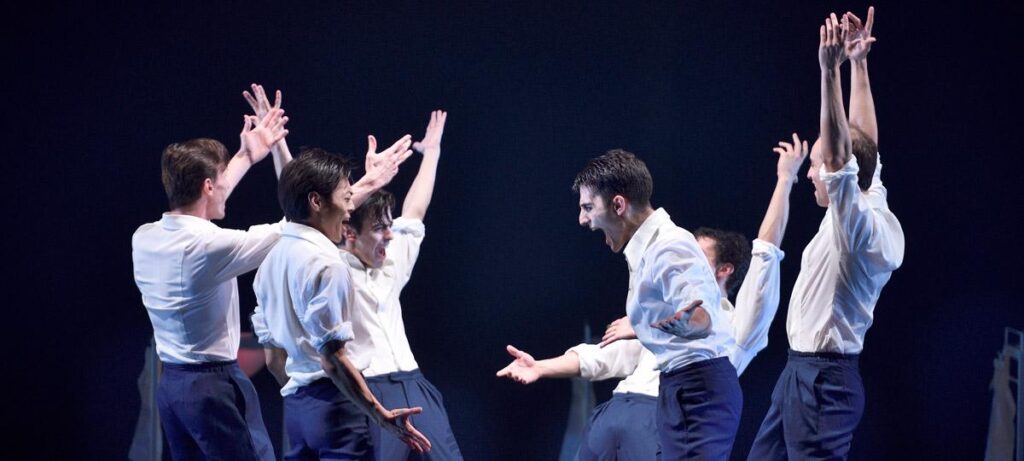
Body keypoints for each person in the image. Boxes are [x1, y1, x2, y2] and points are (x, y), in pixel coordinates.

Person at [497, 136, 807, 459]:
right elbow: (609, 356)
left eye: (588, 208)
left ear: (618, 205)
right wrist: (541, 366)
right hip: (652, 400)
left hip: (693, 395)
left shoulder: (672, 247)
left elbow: (710, 312)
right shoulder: (644, 254)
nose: (582, 219)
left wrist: (785, 180)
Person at [747, 8, 905, 460]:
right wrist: (858, 63)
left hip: (823, 381)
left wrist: (828, 71)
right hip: (801, 375)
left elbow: (841, 157)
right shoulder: (871, 199)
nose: (812, 172)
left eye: (816, 165)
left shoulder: (858, 226)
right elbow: (863, 142)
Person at [253, 140, 432, 460]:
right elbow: (332, 359)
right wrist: (379, 413)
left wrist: (303, 394)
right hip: (337, 408)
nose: (351, 208)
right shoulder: (327, 264)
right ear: (316, 201)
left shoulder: (270, 262)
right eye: (347, 198)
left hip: (296, 408)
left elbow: (272, 359)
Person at [132, 98, 289, 460]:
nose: (224, 190)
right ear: (207, 186)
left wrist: (247, 157)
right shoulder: (209, 245)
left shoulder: (144, 236)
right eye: (219, 183)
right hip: (214, 385)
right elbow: (294, 227)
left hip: (172, 387)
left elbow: (205, 202)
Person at [332, 111, 463, 460]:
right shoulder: (329, 267)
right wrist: (369, 182)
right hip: (370, 391)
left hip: (414, 383)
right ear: (349, 232)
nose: (389, 236)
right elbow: (308, 221)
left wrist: (431, 153)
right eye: (379, 228)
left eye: (388, 227)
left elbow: (415, 212)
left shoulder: (390, 262)